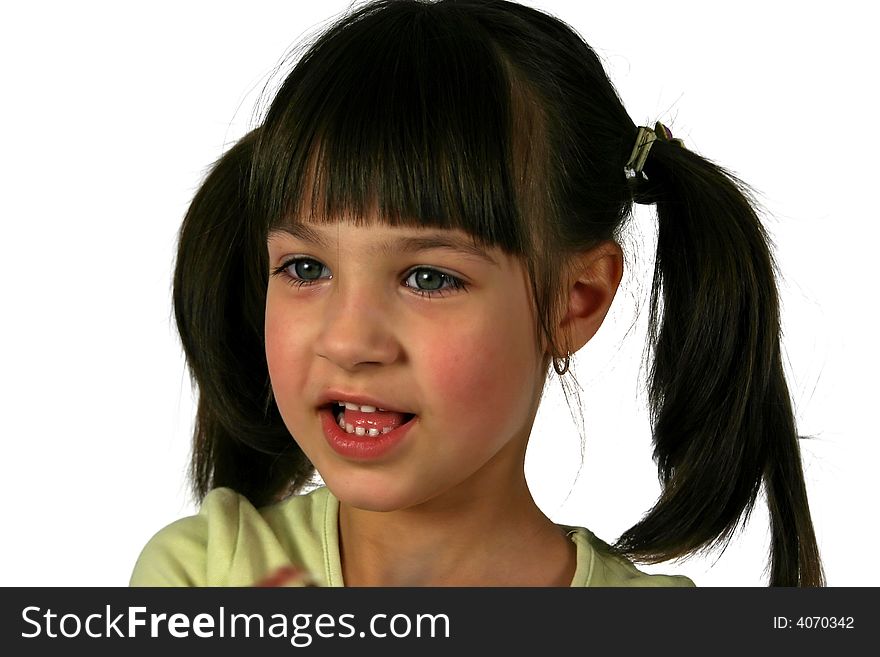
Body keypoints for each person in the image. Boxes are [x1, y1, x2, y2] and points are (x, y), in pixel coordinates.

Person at [130, 0, 824, 587]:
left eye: (428, 276)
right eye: (306, 268)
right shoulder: (206, 575)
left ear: (574, 300)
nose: (347, 339)